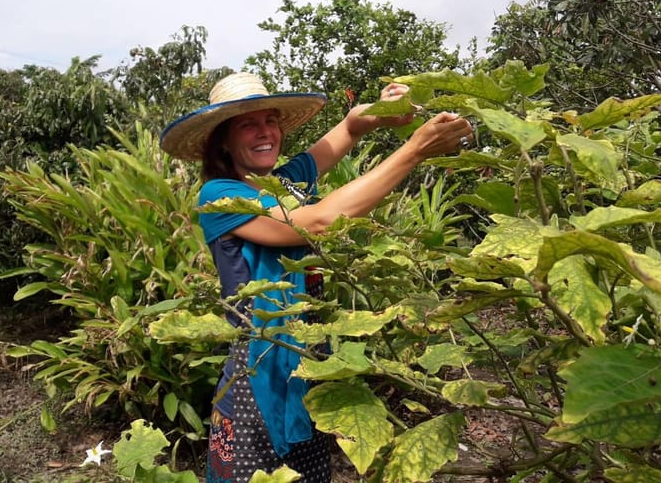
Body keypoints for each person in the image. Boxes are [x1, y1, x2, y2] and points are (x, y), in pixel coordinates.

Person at [160, 71, 473, 482]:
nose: (264, 131)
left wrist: (385, 111)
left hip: (309, 359)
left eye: (270, 120)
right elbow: (319, 221)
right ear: (223, 140)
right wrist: (414, 151)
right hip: (260, 368)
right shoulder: (220, 194)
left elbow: (347, 129)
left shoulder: (283, 183)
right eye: (248, 124)